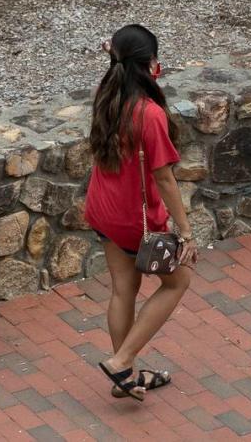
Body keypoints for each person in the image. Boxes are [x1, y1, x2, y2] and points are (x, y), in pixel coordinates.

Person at [84, 24, 198, 401]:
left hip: (103, 208)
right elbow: (164, 179)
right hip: (136, 219)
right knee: (178, 281)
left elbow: (117, 59)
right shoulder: (149, 114)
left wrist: (114, 49)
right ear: (151, 65)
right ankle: (121, 361)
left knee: (123, 290)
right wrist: (186, 234)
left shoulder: (107, 93)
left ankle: (127, 377)